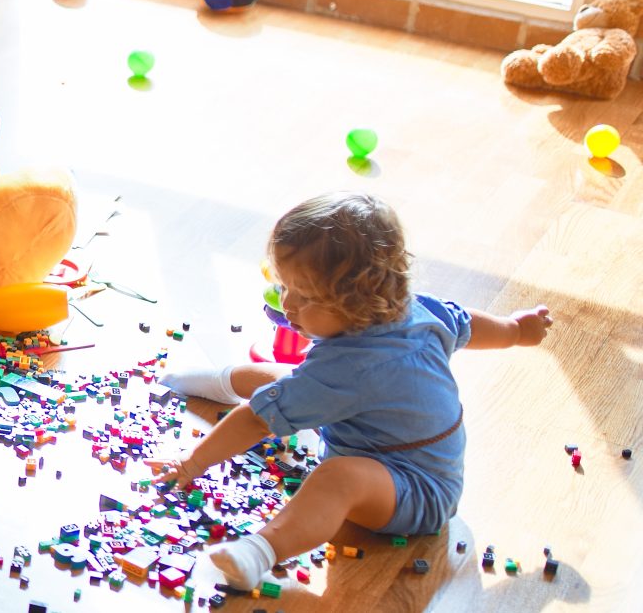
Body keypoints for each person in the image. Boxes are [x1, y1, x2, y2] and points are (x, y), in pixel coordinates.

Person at [155, 192, 554, 588]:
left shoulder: (350, 368)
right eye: (285, 286)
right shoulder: (414, 308)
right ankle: (217, 381)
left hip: (416, 491)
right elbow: (468, 324)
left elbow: (258, 421)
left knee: (336, 476)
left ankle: (261, 551)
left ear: (359, 301)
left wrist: (192, 464)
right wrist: (517, 330)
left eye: (304, 296)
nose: (287, 303)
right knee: (283, 379)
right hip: (402, 456)